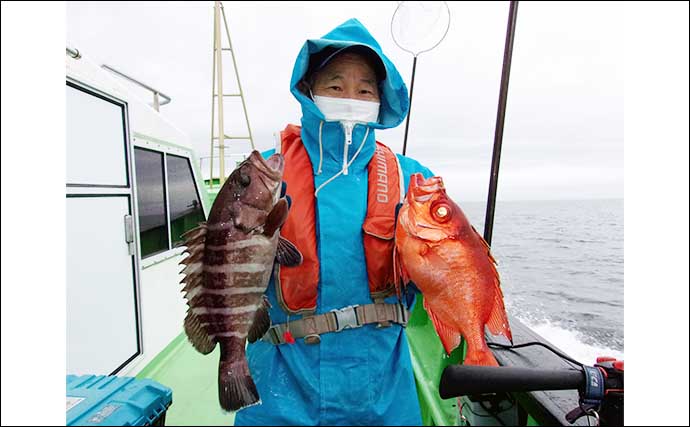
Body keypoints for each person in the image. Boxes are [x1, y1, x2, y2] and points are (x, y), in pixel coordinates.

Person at [234, 18, 434, 426]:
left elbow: (444, 264)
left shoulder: (413, 178)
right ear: (309, 91)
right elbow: (225, 252)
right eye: (335, 84)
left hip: (383, 397)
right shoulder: (265, 173)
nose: (351, 96)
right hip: (279, 392)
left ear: (382, 99)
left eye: (365, 89)